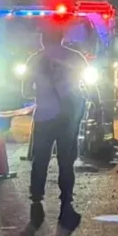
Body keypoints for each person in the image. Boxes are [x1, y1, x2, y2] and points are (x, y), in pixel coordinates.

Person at [22, 22, 88, 224]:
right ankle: (66, 204)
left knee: (40, 160)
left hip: (43, 117)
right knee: (66, 162)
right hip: (67, 118)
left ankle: (36, 201)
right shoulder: (75, 58)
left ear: (43, 38)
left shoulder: (34, 60)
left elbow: (25, 91)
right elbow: (83, 86)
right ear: (62, 37)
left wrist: (43, 94)